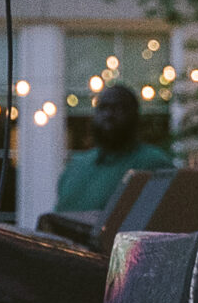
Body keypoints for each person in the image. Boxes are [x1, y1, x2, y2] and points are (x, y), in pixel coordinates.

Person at [51, 85, 171, 215]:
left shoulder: (153, 163)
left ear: (135, 115)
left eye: (118, 108)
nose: (108, 115)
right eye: (103, 108)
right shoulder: (76, 165)